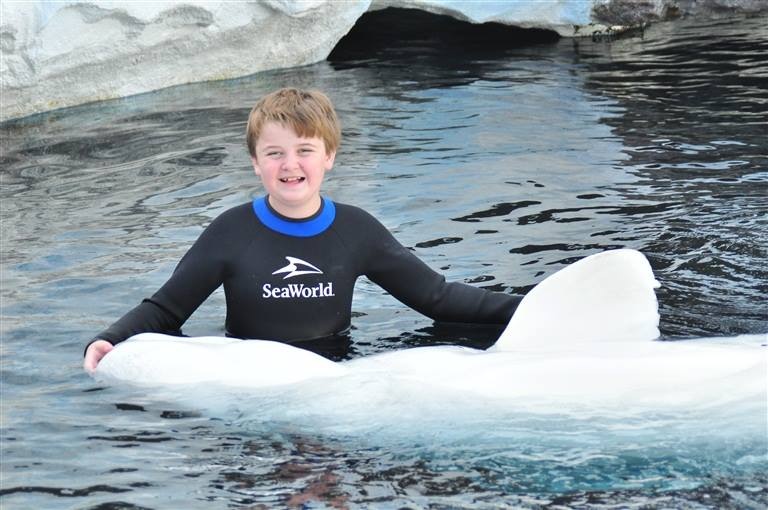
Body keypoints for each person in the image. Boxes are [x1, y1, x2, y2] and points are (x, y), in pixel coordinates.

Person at [83, 88, 521, 372]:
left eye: (304, 150)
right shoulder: (231, 232)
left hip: (334, 373)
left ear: (329, 156)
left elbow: (438, 299)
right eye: (274, 152)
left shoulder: (355, 230)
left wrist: (530, 306)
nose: (289, 164)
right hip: (251, 376)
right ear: (256, 163)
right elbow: (167, 311)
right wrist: (110, 339)